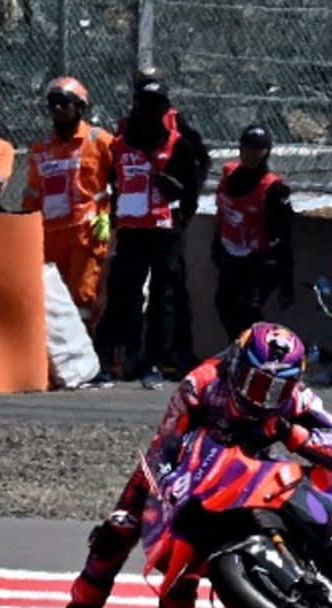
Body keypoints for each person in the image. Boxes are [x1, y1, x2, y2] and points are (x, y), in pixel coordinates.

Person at [39, 321, 332, 608]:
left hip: (253, 468)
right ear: (237, 365)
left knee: (312, 495)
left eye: (273, 390)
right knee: (116, 533)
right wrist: (170, 489)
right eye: (255, 382)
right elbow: (165, 446)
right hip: (184, 465)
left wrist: (293, 433)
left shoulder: (296, 398)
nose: (261, 398)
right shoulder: (201, 383)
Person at [92, 78, 201, 389]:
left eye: (156, 106)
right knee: (124, 294)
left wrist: (178, 216)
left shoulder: (177, 144)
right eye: (144, 105)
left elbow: (191, 192)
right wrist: (111, 218)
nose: (149, 112)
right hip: (131, 231)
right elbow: (111, 182)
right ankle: (122, 354)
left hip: (165, 232)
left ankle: (155, 360)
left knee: (163, 298)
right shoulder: (120, 144)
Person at [22, 77, 114, 331]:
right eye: (53, 104)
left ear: (80, 107)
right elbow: (32, 193)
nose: (58, 109)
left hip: (85, 234)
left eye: (65, 103)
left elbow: (123, 179)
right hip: (50, 235)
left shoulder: (99, 141)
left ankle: (85, 359)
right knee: (50, 299)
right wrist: (26, 230)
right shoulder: (41, 148)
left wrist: (108, 215)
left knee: (83, 297)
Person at [212, 124, 296, 339]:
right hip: (232, 256)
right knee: (224, 305)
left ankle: (264, 354)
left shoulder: (273, 189)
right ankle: (239, 354)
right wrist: (216, 243)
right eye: (247, 147)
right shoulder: (229, 175)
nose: (251, 154)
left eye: (258, 149)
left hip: (260, 260)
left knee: (247, 310)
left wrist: (287, 281)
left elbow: (284, 237)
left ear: (267, 152)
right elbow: (222, 212)